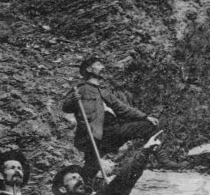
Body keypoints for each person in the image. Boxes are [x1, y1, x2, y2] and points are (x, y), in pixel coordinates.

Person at [61, 55, 160, 183]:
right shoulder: (81, 89)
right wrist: (72, 99)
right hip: (92, 134)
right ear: (89, 69)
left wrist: (145, 116)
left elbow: (122, 108)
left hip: (113, 131)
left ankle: (161, 159)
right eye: (98, 65)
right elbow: (66, 107)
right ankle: (84, 188)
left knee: (147, 125)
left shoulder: (104, 91)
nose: (103, 67)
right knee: (92, 166)